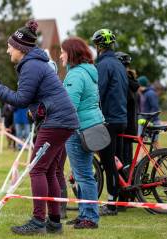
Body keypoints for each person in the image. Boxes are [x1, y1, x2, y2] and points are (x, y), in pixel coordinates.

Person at [0, 19, 78, 235]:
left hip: (57, 121)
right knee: (49, 170)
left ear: (20, 48)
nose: (7, 51)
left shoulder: (31, 65)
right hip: (62, 121)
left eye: (9, 46)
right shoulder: (34, 63)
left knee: (37, 170)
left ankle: (38, 221)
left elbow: (21, 99)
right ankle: (53, 221)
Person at [60, 37, 104, 229]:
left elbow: (69, 106)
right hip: (91, 127)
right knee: (84, 174)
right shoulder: (88, 72)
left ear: (71, 53)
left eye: (63, 51)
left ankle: (90, 217)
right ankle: (85, 214)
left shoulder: (76, 75)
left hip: (79, 130)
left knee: (84, 175)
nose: (60, 55)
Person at [92, 29, 128, 216]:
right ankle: (123, 196)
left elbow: (98, 92)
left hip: (109, 119)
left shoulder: (103, 65)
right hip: (121, 117)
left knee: (108, 162)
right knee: (116, 159)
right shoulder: (119, 64)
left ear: (98, 46)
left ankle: (112, 204)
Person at [115, 52, 139, 171]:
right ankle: (131, 184)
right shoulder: (130, 80)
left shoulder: (123, 82)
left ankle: (127, 187)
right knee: (127, 159)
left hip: (123, 125)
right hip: (130, 125)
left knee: (123, 160)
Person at [137, 75, 160, 147]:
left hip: (152, 122)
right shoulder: (143, 94)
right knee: (142, 142)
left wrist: (150, 120)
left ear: (141, 85)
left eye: (138, 85)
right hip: (144, 122)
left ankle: (163, 156)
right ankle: (142, 158)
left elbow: (155, 108)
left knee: (155, 143)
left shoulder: (150, 93)